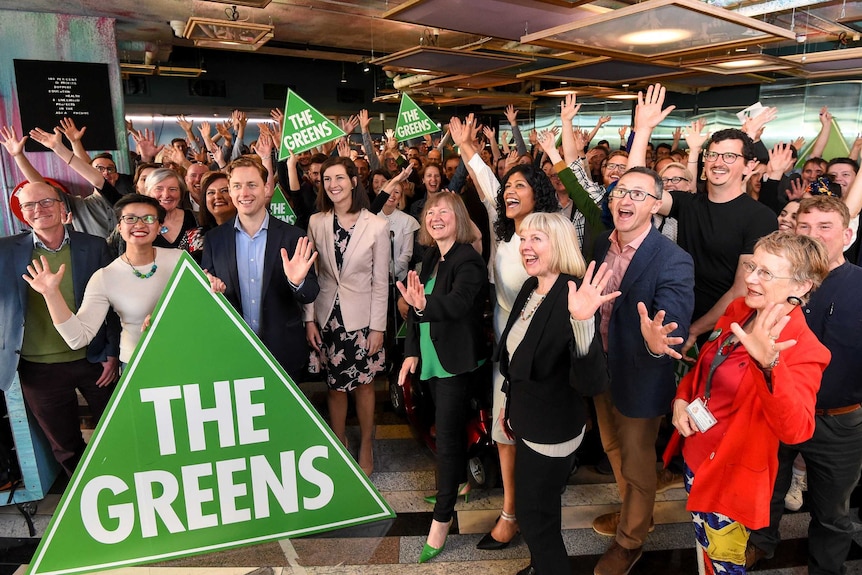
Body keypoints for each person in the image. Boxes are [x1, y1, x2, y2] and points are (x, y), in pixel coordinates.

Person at [664, 231, 831, 574]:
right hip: (697, 457)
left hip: (730, 479)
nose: (750, 278)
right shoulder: (741, 308)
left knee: (724, 564)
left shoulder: (804, 347)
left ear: (801, 287)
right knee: (706, 553)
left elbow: (796, 429)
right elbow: (706, 366)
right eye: (753, 266)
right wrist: (682, 400)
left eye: (766, 273)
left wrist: (769, 366)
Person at [450, 115, 561, 551]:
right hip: (504, 349)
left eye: (521, 186)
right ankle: (511, 513)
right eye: (507, 186)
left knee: (532, 436)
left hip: (538, 355)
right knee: (503, 431)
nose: (510, 192)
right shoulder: (505, 232)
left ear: (540, 196)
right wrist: (465, 148)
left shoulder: (551, 234)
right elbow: (486, 184)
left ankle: (534, 519)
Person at [748, 196, 862, 575]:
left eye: (824, 227)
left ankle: (826, 570)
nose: (813, 235)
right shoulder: (774, 283)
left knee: (831, 511)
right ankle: (760, 544)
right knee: (767, 490)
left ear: (846, 234)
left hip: (837, 421)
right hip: (777, 409)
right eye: (804, 227)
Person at [499, 212, 618, 575]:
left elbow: (590, 382)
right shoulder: (530, 287)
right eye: (523, 238)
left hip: (551, 428)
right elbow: (516, 359)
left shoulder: (573, 293)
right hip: (526, 416)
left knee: (536, 520)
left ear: (560, 243)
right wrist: (508, 404)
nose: (525, 246)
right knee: (541, 508)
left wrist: (583, 323)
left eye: (536, 238)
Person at [590, 168, 695, 575]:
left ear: (655, 204)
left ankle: (631, 539)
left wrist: (658, 342)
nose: (625, 200)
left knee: (636, 463)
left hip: (640, 375)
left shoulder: (673, 258)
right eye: (619, 192)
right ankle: (637, 511)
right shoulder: (602, 244)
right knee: (613, 448)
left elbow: (675, 326)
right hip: (601, 370)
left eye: (638, 193)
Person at [0, 182, 119, 476]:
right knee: (64, 444)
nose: (39, 209)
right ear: (22, 214)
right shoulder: (5, 251)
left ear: (62, 205)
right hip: (37, 368)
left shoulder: (93, 246)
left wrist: (111, 353)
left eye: (46, 202)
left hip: (94, 361)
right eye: (30, 205)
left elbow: (113, 305)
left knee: (117, 430)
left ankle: (124, 481)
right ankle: (81, 494)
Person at [396, 192, 487, 564]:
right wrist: (411, 352)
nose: (435, 216)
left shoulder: (468, 259)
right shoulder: (432, 256)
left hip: (454, 361)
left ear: (460, 218)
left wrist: (422, 305)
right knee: (442, 428)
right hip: (431, 359)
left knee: (447, 439)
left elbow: (458, 304)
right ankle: (457, 482)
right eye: (430, 211)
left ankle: (442, 517)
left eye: (443, 211)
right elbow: (417, 313)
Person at [23, 194, 183, 366]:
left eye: (149, 218)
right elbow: (78, 338)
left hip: (185, 353)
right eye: (130, 218)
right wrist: (51, 294)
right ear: (119, 227)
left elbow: (200, 305)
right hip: (138, 363)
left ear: (159, 226)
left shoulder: (179, 259)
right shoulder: (106, 276)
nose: (139, 224)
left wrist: (213, 287)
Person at [303, 157, 389, 477]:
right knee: (334, 386)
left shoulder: (376, 225)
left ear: (354, 181)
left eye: (339, 177)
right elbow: (312, 275)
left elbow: (381, 282)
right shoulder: (316, 222)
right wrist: (309, 318)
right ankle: (339, 442)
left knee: (364, 386)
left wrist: (378, 327)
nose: (333, 184)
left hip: (363, 319)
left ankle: (367, 443)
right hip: (328, 317)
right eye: (327, 179)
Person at [202, 157, 319, 381]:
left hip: (283, 352)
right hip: (233, 351)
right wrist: (209, 288)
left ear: (266, 188)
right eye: (236, 186)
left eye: (251, 185)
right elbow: (209, 293)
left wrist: (297, 282)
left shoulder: (293, 236)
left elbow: (310, 293)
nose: (243, 193)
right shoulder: (214, 240)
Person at [380, 177, 420, 283]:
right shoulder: (372, 216)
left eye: (397, 192)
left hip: (397, 279)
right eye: (390, 190)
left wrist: (391, 273)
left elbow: (407, 253)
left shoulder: (407, 221)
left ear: (401, 197)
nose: (392, 195)